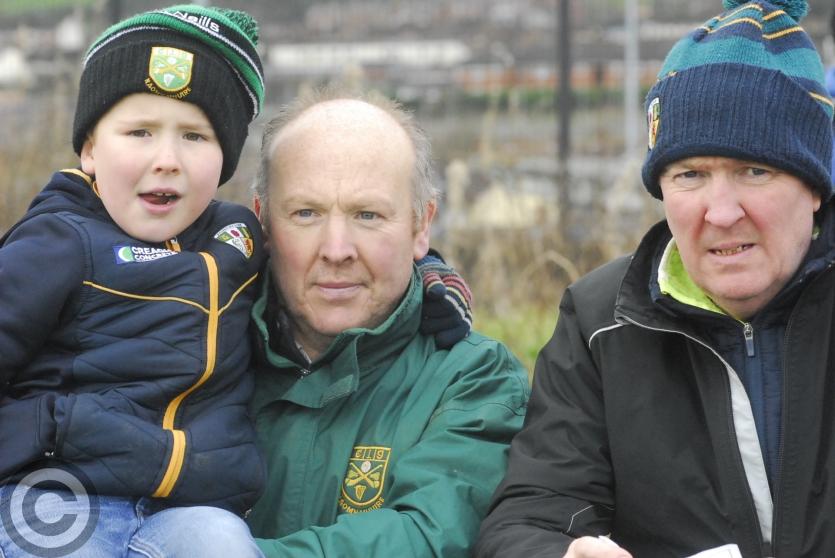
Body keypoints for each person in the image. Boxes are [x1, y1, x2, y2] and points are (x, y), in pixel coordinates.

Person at [475, 1, 835, 557]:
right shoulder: (601, 323)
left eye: (754, 171)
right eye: (690, 175)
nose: (721, 212)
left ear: (814, 187)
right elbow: (530, 516)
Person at [0, 5, 269, 556]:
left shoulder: (239, 241)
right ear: (90, 149)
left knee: (223, 546)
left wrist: (432, 279)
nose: (166, 159)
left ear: (225, 159)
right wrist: (45, 428)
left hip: (191, 506)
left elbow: (331, 268)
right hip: (58, 492)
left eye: (194, 136)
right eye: (139, 131)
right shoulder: (59, 239)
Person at [244, 88, 530, 557]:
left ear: (421, 225)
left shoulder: (473, 381)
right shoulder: (193, 353)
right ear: (263, 223)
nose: (337, 250)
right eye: (306, 213)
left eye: (367, 215)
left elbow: (425, 538)